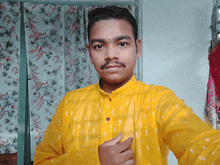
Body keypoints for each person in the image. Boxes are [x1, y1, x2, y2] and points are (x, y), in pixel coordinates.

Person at [33, 6, 220, 165]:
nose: (111, 54)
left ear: (137, 48)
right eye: (99, 46)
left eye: (121, 44)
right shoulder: (70, 104)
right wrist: (94, 159)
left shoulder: (158, 99)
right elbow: (42, 161)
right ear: (89, 53)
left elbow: (200, 143)